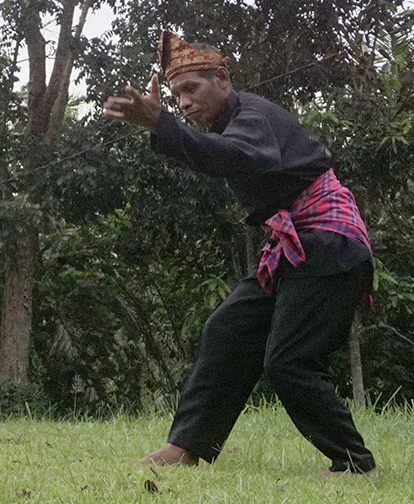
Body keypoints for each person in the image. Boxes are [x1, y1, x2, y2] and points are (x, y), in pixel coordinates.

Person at [103, 31, 376, 476]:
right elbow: (222, 155)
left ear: (223, 78)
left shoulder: (252, 116)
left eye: (192, 89)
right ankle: (187, 447)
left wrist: (162, 126)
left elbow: (235, 156)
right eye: (176, 96)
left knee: (289, 361)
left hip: (329, 241)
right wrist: (164, 129)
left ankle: (355, 462)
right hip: (293, 245)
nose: (185, 103)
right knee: (228, 329)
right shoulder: (230, 126)